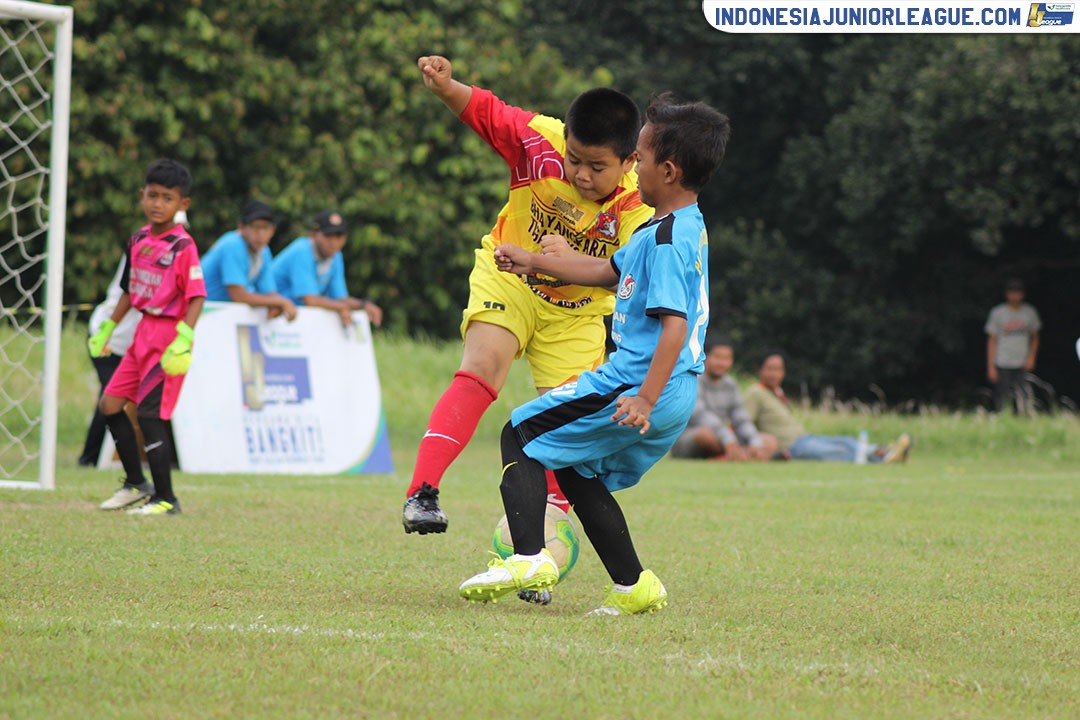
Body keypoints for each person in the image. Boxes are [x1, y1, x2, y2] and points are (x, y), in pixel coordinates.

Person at [456, 93, 729, 615]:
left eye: (640, 159)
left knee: (520, 432)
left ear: (667, 170)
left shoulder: (667, 238)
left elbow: (674, 325)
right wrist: (533, 261)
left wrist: (645, 397)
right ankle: (634, 585)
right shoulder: (673, 226)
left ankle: (530, 555)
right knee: (579, 472)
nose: (634, 169)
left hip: (638, 382)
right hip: (671, 388)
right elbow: (607, 272)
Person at [402, 54, 653, 535]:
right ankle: (423, 492)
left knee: (561, 427)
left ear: (627, 162)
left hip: (576, 315)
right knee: (482, 366)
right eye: (574, 159)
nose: (580, 174)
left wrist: (561, 261)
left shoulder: (640, 203)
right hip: (509, 274)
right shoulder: (541, 139)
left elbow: (616, 274)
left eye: (596, 167)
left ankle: (540, 554)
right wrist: (445, 86)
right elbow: (485, 110)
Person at [88, 158, 206, 515]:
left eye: (167, 198)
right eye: (152, 195)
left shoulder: (183, 247)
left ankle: (166, 498)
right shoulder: (138, 239)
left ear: (182, 204)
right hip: (142, 333)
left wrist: (184, 337)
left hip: (168, 335)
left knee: (151, 415)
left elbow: (197, 295)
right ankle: (135, 483)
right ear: (142, 196)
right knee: (110, 405)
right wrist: (109, 325)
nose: (157, 203)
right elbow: (129, 288)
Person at [742, 351, 912, 464]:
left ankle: (884, 450)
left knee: (846, 441)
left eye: (778, 369)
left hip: (804, 437)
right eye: (770, 369)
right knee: (835, 452)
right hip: (790, 446)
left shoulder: (776, 392)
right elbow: (743, 424)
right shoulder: (755, 393)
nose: (774, 374)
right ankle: (883, 458)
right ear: (760, 371)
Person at [669, 336, 777, 461]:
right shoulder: (695, 380)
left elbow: (740, 417)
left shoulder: (730, 384)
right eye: (718, 357)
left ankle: (732, 455)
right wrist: (728, 439)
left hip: (725, 436)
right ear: (705, 357)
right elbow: (700, 416)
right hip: (694, 435)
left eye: (727, 358)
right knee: (705, 435)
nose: (722, 363)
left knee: (770, 441)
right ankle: (737, 454)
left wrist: (754, 442)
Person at [77, 257, 141, 467]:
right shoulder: (142, 249)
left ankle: (92, 458)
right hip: (107, 339)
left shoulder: (177, 252)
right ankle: (90, 459)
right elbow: (134, 294)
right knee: (111, 397)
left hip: (131, 347)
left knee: (112, 398)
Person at [270, 209, 383, 328]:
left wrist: (364, 305)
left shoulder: (335, 256)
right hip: (269, 312)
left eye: (339, 236)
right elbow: (310, 300)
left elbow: (340, 298)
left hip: (291, 316)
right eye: (328, 235)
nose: (334, 242)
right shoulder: (302, 251)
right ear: (314, 234)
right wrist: (341, 307)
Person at [201, 200, 298, 321]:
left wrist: (277, 303)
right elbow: (239, 295)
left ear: (272, 231)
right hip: (203, 313)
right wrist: (281, 302)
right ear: (241, 228)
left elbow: (269, 292)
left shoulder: (264, 251)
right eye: (255, 227)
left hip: (221, 316)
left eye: (265, 228)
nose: (260, 234)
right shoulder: (233, 245)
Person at [985, 278, 1041, 413]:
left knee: (1024, 397)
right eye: (1012, 292)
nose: (1015, 295)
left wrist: (1031, 358)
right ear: (1007, 294)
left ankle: (1025, 422)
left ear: (1022, 294)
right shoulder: (998, 313)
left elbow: (1035, 337)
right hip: (1003, 361)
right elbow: (992, 340)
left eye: (1017, 292)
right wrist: (991, 366)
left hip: (1022, 362)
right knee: (1002, 399)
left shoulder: (1029, 312)